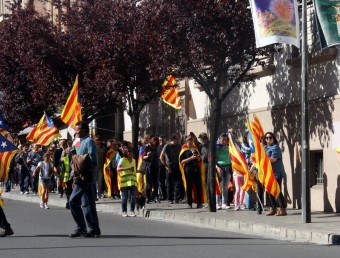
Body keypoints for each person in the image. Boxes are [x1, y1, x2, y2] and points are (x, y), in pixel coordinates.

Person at [69, 121, 101, 238]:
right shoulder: (78, 142)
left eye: (78, 130)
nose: (76, 132)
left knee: (72, 201)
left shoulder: (89, 142)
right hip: (80, 177)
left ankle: (81, 227)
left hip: (85, 177)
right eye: (76, 130)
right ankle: (94, 229)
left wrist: (81, 165)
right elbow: (75, 159)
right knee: (88, 204)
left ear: (85, 131)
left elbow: (93, 161)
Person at [179, 136, 206, 208]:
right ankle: (189, 203)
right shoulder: (184, 150)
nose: (190, 143)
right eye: (189, 141)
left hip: (196, 169)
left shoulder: (195, 149)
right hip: (188, 170)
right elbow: (182, 161)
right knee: (189, 187)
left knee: (198, 186)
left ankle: (199, 203)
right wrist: (191, 158)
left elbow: (200, 160)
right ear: (186, 142)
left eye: (191, 141)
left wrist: (198, 158)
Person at [264, 132, 287, 216]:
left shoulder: (275, 147)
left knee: (277, 190)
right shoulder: (265, 148)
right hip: (268, 173)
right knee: (269, 191)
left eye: (270, 138)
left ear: (273, 138)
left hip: (276, 173)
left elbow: (274, 159)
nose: (268, 139)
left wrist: (264, 159)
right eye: (266, 138)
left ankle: (282, 209)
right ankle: (272, 208)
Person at [160, 133, 183, 204]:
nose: (178, 140)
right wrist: (166, 166)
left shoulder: (179, 146)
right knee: (169, 183)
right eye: (177, 138)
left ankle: (177, 198)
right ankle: (170, 198)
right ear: (173, 139)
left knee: (178, 182)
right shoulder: (167, 146)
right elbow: (161, 157)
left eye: (179, 138)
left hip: (177, 166)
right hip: (170, 166)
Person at [117, 147, 138, 217]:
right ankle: (124, 211)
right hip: (124, 181)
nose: (131, 154)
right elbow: (118, 168)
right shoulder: (122, 160)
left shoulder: (134, 160)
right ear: (126, 153)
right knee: (124, 197)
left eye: (131, 152)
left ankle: (132, 211)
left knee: (133, 197)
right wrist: (128, 168)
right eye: (129, 152)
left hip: (133, 181)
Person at [216, 133, 232, 210]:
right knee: (219, 186)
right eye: (223, 139)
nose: (225, 141)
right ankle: (217, 203)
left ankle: (224, 202)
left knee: (225, 187)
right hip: (220, 168)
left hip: (228, 167)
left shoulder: (229, 147)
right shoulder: (216, 148)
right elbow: (212, 159)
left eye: (226, 139)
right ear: (219, 139)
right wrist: (217, 167)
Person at [143, 136, 160, 203]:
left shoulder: (156, 147)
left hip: (155, 165)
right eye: (153, 141)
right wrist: (147, 155)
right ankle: (148, 197)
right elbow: (143, 157)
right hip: (149, 166)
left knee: (156, 182)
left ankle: (156, 196)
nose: (155, 143)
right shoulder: (147, 147)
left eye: (156, 142)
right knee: (149, 183)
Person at [157, 135, 167, 201]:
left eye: (162, 140)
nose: (161, 141)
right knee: (161, 181)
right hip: (160, 166)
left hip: (166, 165)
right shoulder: (158, 146)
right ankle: (163, 195)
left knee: (168, 181)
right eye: (160, 140)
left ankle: (168, 195)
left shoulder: (166, 146)